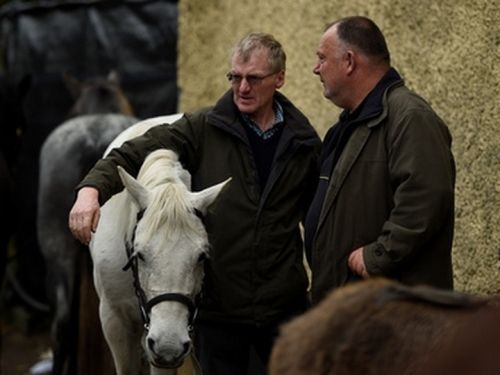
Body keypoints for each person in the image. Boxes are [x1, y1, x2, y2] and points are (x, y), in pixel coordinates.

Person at [69, 32, 321, 374]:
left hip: (282, 309)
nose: (242, 88)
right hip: (222, 313)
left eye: (254, 79)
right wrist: (90, 190)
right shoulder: (204, 127)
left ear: (279, 79)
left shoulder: (304, 143)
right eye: (235, 77)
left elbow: (317, 220)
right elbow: (133, 151)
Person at [304, 16, 455, 304]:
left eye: (322, 58)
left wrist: (377, 256)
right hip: (352, 311)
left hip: (395, 314)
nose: (316, 68)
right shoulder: (346, 128)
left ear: (349, 61)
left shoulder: (409, 117)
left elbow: (427, 196)